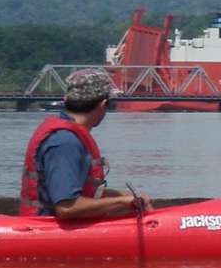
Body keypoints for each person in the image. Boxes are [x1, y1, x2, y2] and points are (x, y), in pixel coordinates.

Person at [19, 68, 150, 220]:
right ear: (103, 104)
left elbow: (84, 191)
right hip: (47, 230)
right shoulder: (65, 143)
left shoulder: (66, 137)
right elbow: (66, 207)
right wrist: (122, 201)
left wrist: (124, 196)